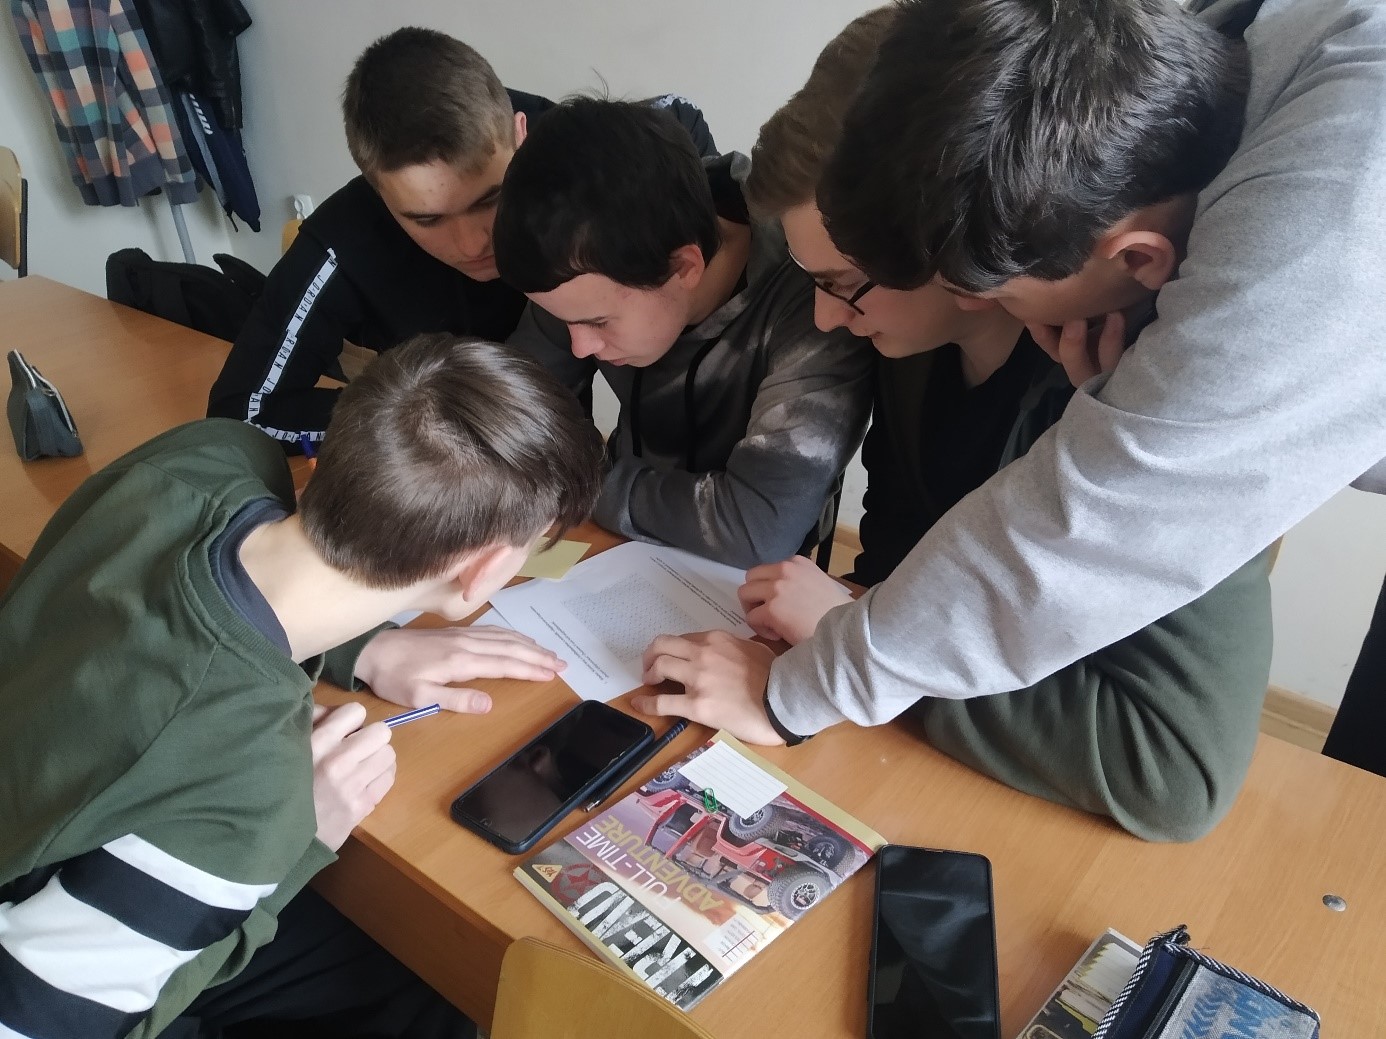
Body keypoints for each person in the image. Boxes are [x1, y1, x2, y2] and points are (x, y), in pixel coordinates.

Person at [635, 0, 1386, 787]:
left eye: (991, 290)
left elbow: (1100, 550)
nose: (978, 303)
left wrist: (797, 694)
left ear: (1139, 261)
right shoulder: (1153, 69)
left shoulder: (1314, 247)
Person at [718, 6, 1270, 841]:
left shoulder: (1162, 396)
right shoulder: (912, 348)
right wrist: (856, 641)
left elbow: (1169, 768)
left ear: (945, 253)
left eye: (845, 283)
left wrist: (852, 649)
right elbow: (897, 574)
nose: (827, 320)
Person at [0, 335, 603, 1038]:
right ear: (484, 570)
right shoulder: (248, 794)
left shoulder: (213, 453)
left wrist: (362, 645)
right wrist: (295, 842)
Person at [207, 27, 714, 446]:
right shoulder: (347, 238)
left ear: (521, 134)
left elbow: (678, 115)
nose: (474, 245)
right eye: (427, 220)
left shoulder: (584, 151)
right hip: (475, 464)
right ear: (377, 192)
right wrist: (422, 420)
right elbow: (242, 411)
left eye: (491, 198)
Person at [496, 97, 873, 570]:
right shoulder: (576, 262)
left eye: (598, 322)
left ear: (684, 267)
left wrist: (581, 484)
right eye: (562, 319)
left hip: (752, 578)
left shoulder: (816, 297)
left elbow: (758, 530)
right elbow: (505, 422)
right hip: (617, 542)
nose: (579, 346)